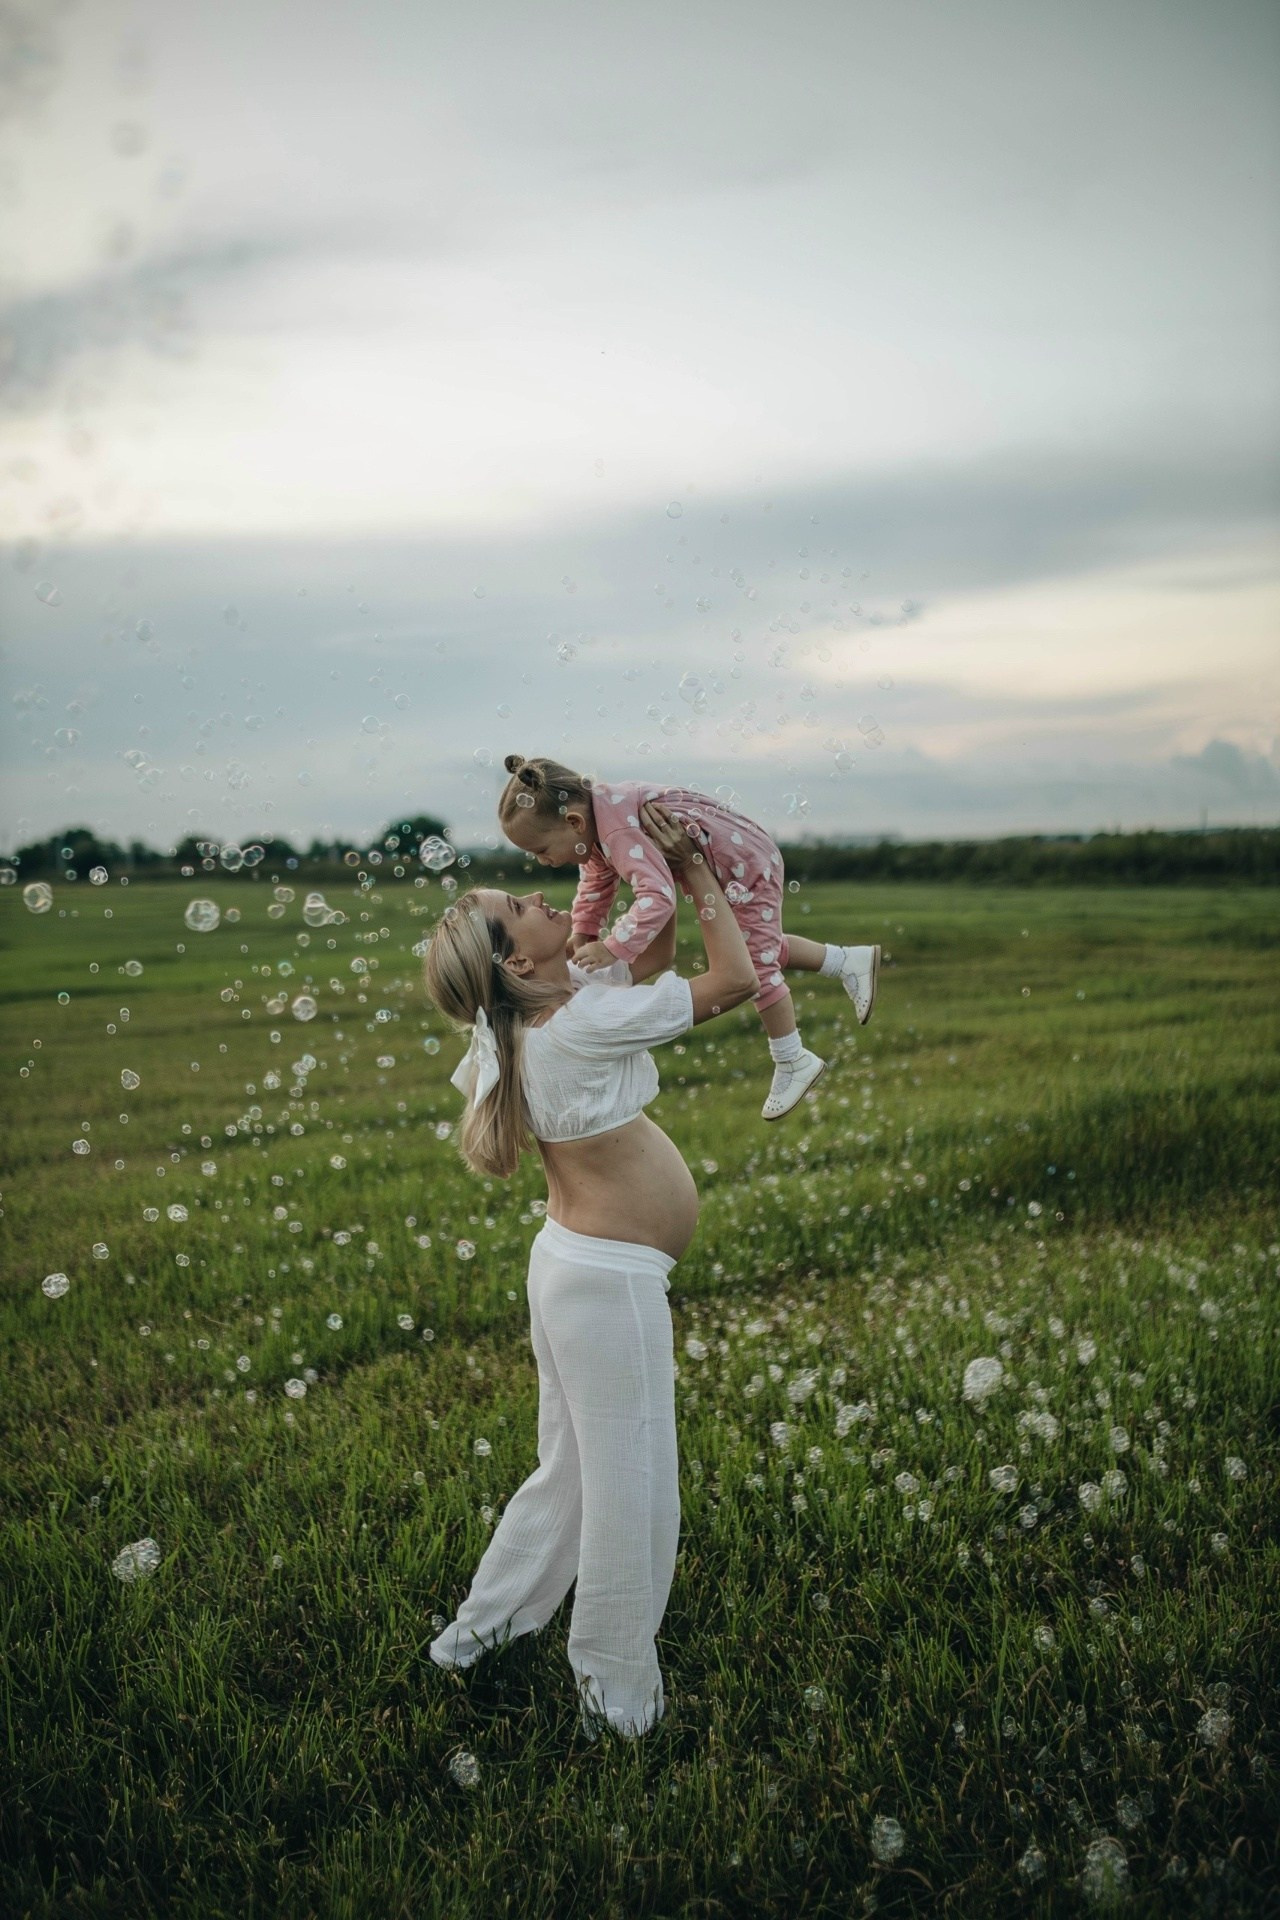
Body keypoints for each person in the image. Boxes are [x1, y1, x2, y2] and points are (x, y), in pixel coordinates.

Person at [420, 801, 759, 1739]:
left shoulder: (512, 1025)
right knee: (631, 1484)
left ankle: (476, 1638)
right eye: (520, 903)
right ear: (518, 963)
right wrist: (695, 878)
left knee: (570, 1474)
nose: (540, 893)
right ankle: (616, 1697)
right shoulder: (573, 1029)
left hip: (573, 1268)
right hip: (605, 1285)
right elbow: (731, 979)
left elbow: (632, 964)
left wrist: (617, 868)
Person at [496, 753, 880, 1121]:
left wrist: (613, 948)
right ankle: (846, 961)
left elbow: (658, 898)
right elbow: (597, 882)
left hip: (742, 865)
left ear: (575, 823)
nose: (542, 861)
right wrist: (584, 932)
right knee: (760, 946)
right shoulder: (600, 820)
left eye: (541, 850)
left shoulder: (616, 829)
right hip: (742, 855)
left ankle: (793, 1058)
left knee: (757, 965)